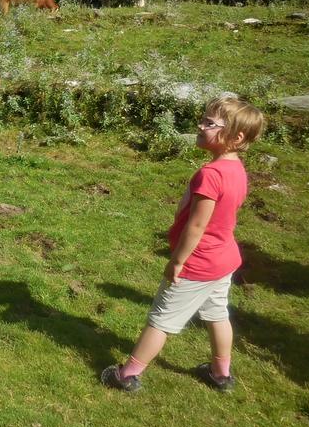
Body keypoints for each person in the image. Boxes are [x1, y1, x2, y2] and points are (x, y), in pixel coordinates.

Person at [101, 94, 265, 393]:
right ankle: (220, 373)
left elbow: (197, 225)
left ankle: (127, 375)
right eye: (202, 119)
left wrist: (178, 260)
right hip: (224, 258)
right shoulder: (237, 170)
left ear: (236, 136)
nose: (200, 125)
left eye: (210, 123)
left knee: (161, 319)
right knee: (217, 314)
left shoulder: (211, 174)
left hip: (198, 263)